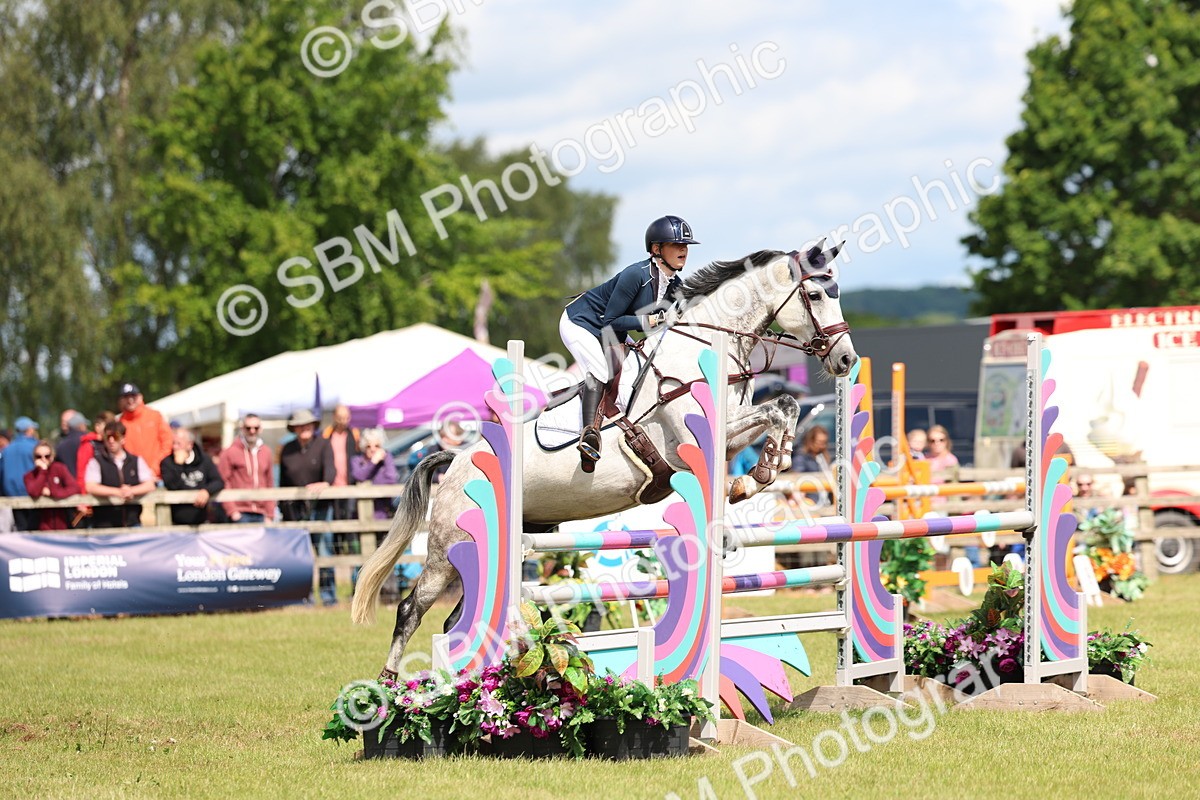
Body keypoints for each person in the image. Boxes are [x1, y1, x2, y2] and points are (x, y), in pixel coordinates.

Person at [560, 214, 697, 469]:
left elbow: (670, 322)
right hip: (581, 323)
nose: (683, 250)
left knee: (633, 377)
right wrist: (653, 322)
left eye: (686, 246)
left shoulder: (674, 284)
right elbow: (611, 321)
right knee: (600, 371)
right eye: (676, 245)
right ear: (657, 249)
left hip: (611, 332)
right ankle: (590, 434)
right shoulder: (636, 274)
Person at [279, 409, 337, 605]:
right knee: (301, 554)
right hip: (296, 508)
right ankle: (304, 596)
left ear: (313, 427)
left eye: (308, 425)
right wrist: (282, 505)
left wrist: (325, 483)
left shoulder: (323, 444)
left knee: (325, 550)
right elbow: (283, 480)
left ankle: (329, 597)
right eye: (300, 425)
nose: (304, 428)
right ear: (294, 428)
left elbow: (331, 470)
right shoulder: (287, 449)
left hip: (320, 505)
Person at [84, 421, 157, 528]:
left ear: (123, 439)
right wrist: (117, 492)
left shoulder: (136, 460)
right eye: (108, 436)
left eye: (115, 436)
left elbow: (150, 485)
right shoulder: (96, 462)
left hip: (132, 522)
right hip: (105, 525)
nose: (111, 440)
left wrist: (131, 491)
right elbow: (90, 487)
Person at [217, 414, 276, 524]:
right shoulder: (229, 452)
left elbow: (269, 482)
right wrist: (232, 511)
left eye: (256, 428)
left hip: (262, 512)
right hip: (240, 511)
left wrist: (270, 512)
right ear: (242, 428)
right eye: (248, 428)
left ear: (261, 429)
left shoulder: (266, 452)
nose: (252, 431)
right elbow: (223, 481)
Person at [160, 428, 224, 525]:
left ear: (189, 445)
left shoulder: (204, 460)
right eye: (173, 443)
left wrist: (207, 491)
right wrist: (178, 466)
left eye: (178, 444)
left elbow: (218, 481)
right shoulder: (167, 462)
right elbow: (172, 486)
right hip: (176, 521)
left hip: (201, 519)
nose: (174, 447)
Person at [117, 382, 173, 479]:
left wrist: (155, 469)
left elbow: (168, 443)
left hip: (158, 476)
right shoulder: (120, 423)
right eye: (126, 397)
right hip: (133, 478)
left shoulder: (155, 416)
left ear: (140, 397)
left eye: (133, 396)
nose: (130, 400)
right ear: (121, 400)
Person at [24, 439, 81, 530]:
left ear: (52, 456)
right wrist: (43, 471)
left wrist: (53, 492)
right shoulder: (29, 475)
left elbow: (75, 488)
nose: (43, 459)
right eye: (39, 456)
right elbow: (33, 491)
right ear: (34, 458)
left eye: (47, 456)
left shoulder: (60, 468)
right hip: (39, 527)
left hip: (63, 524)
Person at [322, 403, 361, 528]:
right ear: (334, 417)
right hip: (332, 484)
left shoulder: (354, 434)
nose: (343, 421)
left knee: (350, 517)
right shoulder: (327, 434)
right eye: (340, 417)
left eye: (346, 417)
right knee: (334, 519)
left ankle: (349, 547)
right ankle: (337, 547)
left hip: (349, 482)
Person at [1, 416, 40, 531]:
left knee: (20, 527)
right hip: (33, 494)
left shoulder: (7, 450)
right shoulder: (35, 447)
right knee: (34, 528)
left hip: (12, 494)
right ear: (29, 430)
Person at [408, 420, 466, 484]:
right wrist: (438, 477)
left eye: (447, 437)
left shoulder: (467, 450)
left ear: (459, 439)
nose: (443, 440)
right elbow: (426, 472)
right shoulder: (434, 450)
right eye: (442, 436)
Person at [55, 412, 90, 479]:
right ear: (81, 425)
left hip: (67, 484)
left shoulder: (60, 445)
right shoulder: (87, 441)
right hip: (85, 484)